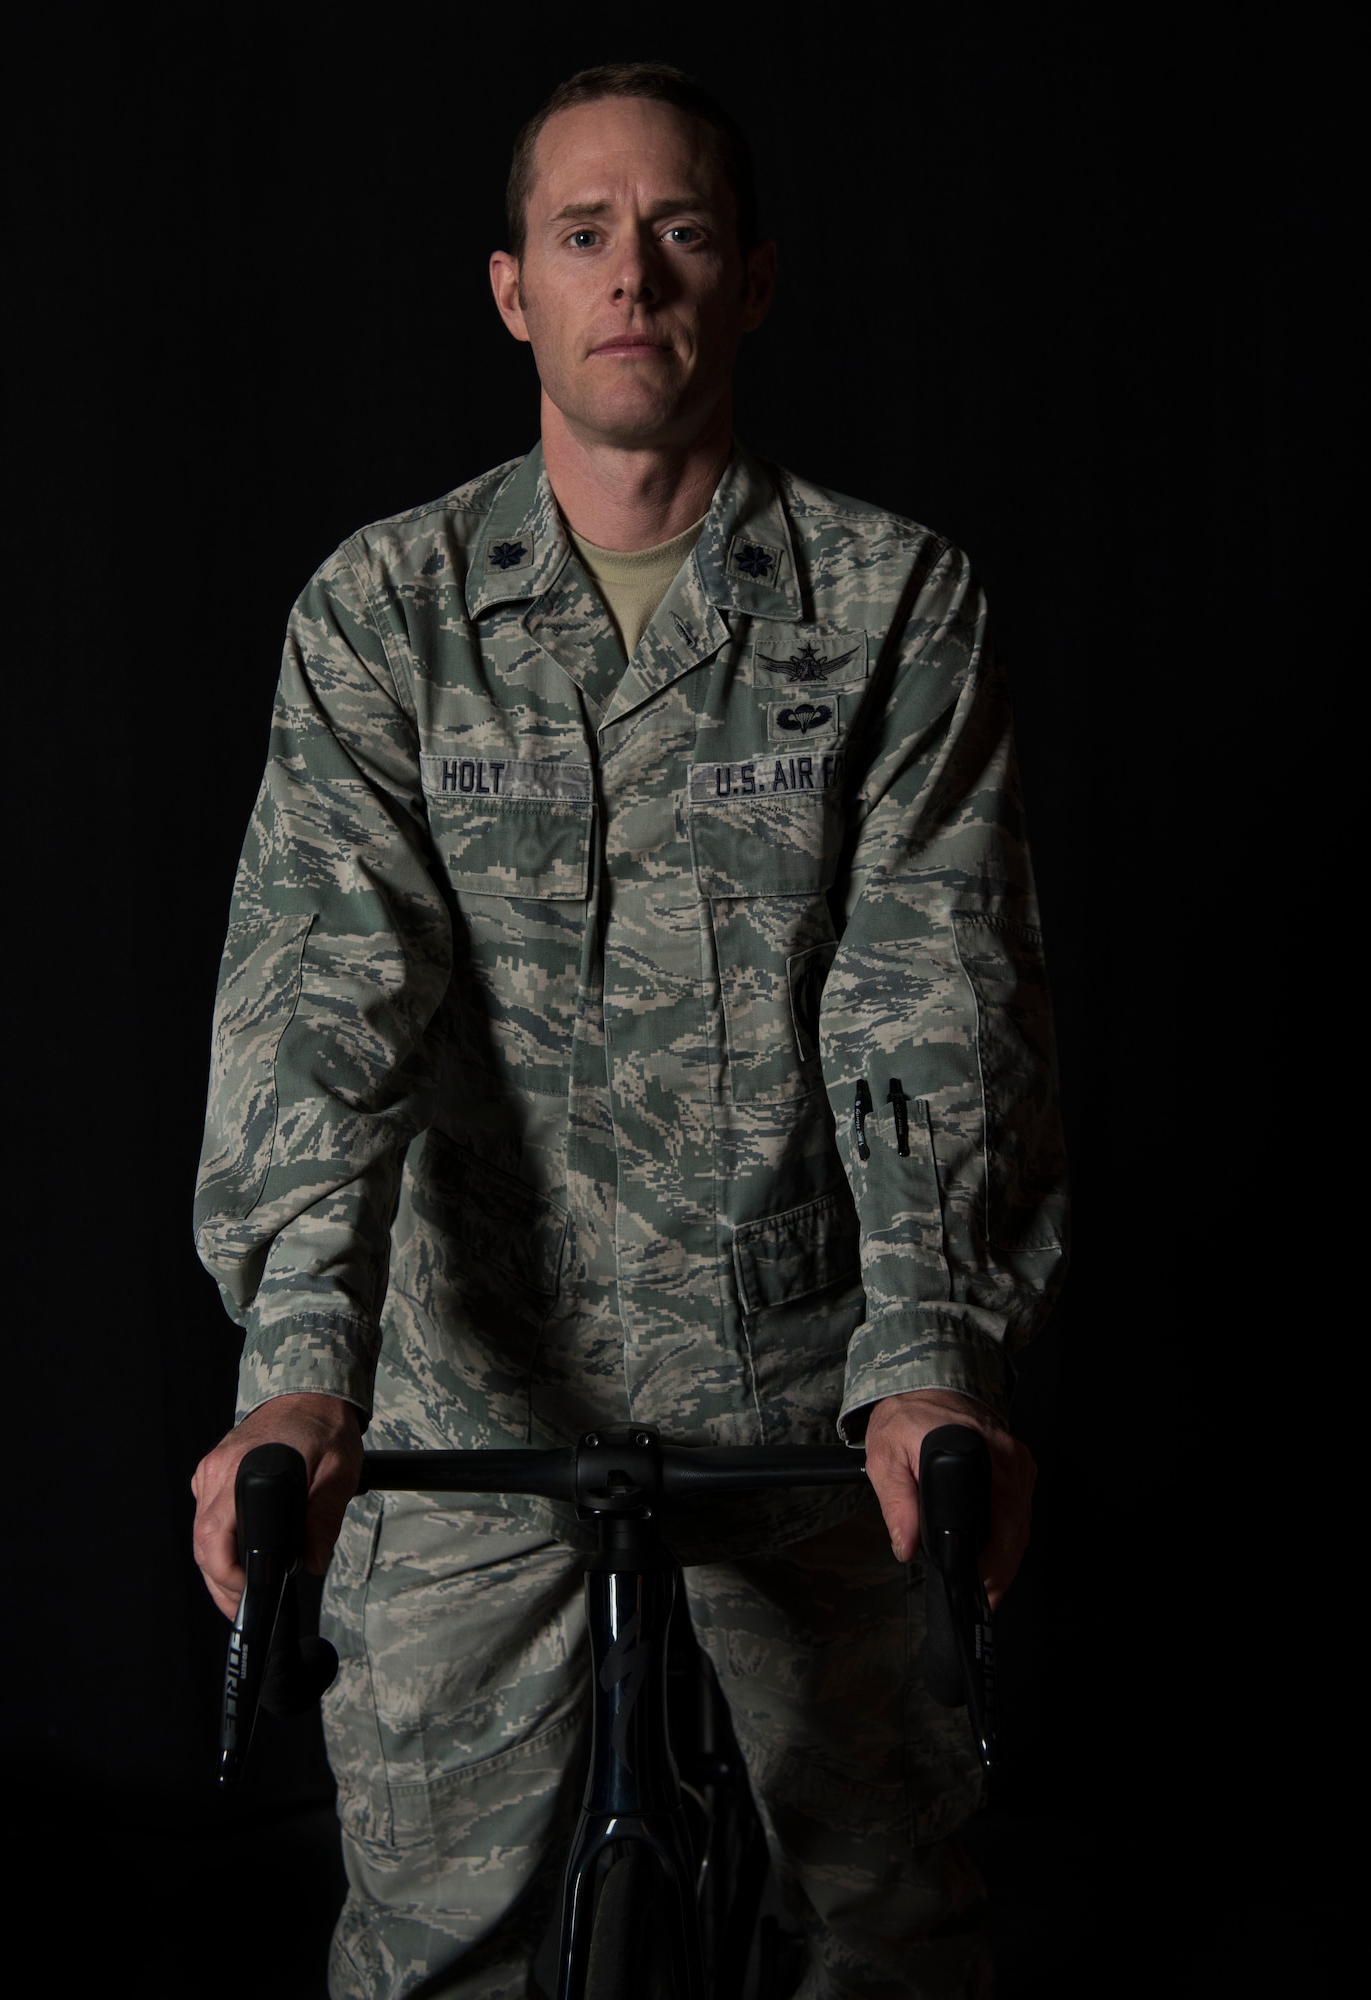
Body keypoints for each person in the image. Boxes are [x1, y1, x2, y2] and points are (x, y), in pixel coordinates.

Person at [191, 62, 1067, 2000]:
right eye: (583, 233)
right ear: (512, 285)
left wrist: (931, 1358)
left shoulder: (888, 601)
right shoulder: (385, 610)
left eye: (676, 231)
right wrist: (298, 1368)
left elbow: (933, 989)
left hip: (805, 1380)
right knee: (431, 1941)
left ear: (749, 279)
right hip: (467, 1382)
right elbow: (326, 995)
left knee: (889, 1922)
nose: (631, 277)